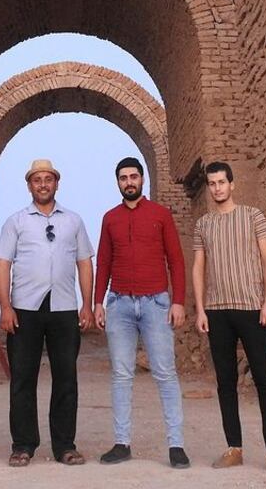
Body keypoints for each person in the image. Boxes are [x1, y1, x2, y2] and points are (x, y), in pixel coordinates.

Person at [0, 159, 94, 467]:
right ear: (29, 185)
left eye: (48, 179)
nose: (42, 184)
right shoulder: (16, 221)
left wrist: (87, 304)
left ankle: (64, 445)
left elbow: (84, 263)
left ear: (56, 183)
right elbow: (3, 264)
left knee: (66, 378)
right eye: (37, 179)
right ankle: (23, 444)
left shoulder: (74, 221)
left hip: (64, 308)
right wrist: (6, 307)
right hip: (25, 308)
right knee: (23, 378)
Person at [192, 161, 266, 473]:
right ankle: (234, 447)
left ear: (232, 184)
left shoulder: (252, 216)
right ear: (208, 187)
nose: (218, 188)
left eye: (222, 182)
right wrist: (201, 309)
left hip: (251, 309)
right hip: (218, 311)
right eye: (212, 183)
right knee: (225, 382)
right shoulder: (203, 224)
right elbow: (198, 267)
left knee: (264, 380)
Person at [94, 157, 190, 469]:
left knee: (165, 373)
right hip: (119, 303)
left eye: (134, 176)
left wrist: (178, 302)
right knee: (122, 375)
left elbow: (175, 260)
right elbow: (104, 262)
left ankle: (176, 445)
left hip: (156, 304)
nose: (129, 182)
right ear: (118, 182)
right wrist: (98, 302)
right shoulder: (110, 218)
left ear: (142, 179)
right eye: (123, 178)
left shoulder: (160, 215)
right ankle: (122, 443)